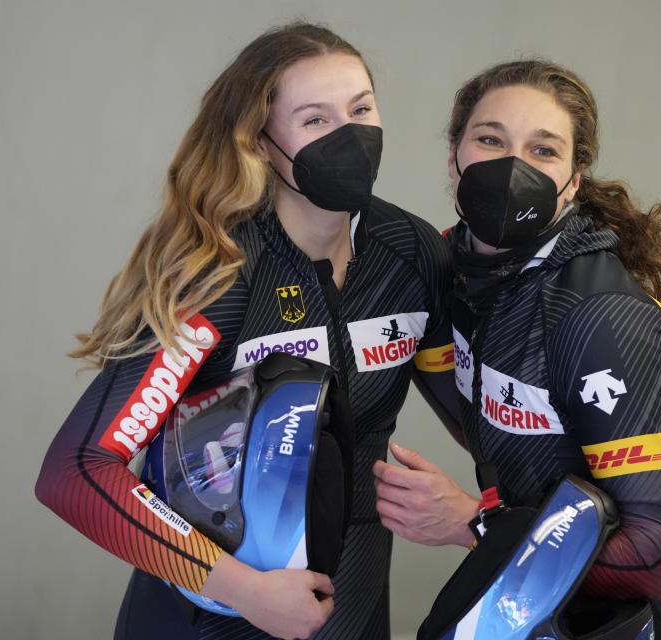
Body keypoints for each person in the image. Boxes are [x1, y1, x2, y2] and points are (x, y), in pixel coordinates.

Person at [34, 22, 460, 640]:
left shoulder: (412, 255)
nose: (351, 134)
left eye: (361, 108)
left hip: (354, 604)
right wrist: (245, 591)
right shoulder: (220, 275)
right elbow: (76, 470)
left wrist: (473, 515)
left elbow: (483, 425)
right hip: (210, 611)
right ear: (260, 142)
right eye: (315, 120)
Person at [374, 59, 661, 639]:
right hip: (527, 597)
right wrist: (636, 489)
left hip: (621, 624)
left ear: (574, 180)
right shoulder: (446, 268)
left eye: (543, 150)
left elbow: (654, 560)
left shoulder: (599, 315)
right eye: (491, 139)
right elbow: (488, 421)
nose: (513, 166)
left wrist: (473, 522)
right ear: (453, 156)